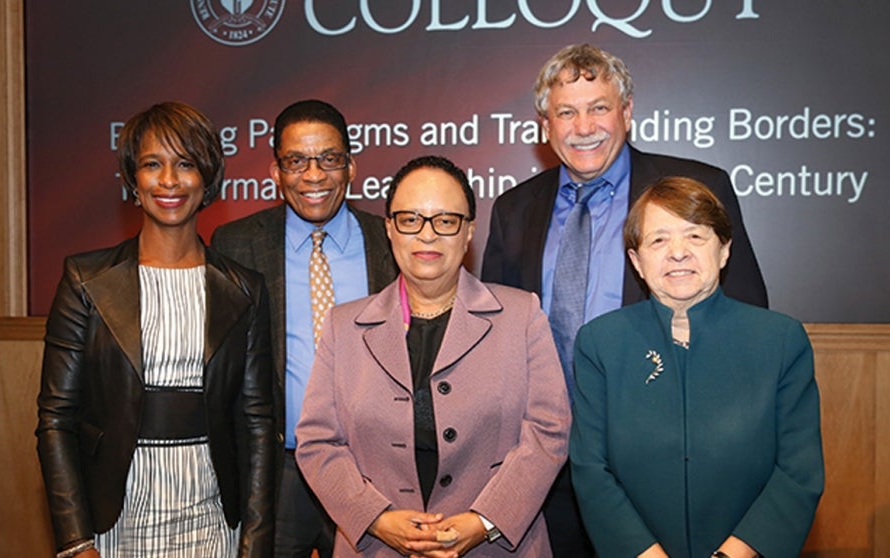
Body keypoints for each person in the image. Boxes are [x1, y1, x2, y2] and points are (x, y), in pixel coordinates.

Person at [480, 43, 769, 557]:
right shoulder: (513, 208)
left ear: (627, 112)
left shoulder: (698, 187)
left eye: (599, 107)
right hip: (547, 466)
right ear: (545, 124)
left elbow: (745, 322)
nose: (583, 125)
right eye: (566, 111)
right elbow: (493, 340)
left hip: (665, 460)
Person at [294, 155, 571, 557]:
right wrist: (376, 517)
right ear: (390, 228)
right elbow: (317, 442)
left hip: (496, 547)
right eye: (410, 219)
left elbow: (550, 431)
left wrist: (483, 521)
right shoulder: (345, 326)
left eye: (445, 220)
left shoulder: (520, 315)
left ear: (469, 232)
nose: (427, 235)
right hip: (377, 547)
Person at [35, 101, 276, 557]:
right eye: (152, 164)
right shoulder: (86, 281)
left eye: (185, 164)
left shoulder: (245, 289)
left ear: (207, 177)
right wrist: (75, 541)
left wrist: (255, 543)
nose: (169, 181)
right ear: (132, 179)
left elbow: (258, 424)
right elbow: (55, 419)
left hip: (212, 515)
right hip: (116, 514)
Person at [571, 176, 824, 558]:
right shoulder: (600, 343)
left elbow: (798, 472)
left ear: (723, 251)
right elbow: (591, 469)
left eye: (695, 236)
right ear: (637, 261)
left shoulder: (780, 340)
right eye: (659, 240)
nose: (678, 253)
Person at [211, 99, 398, 557]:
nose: (313, 175)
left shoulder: (391, 242)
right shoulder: (235, 245)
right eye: (296, 161)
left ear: (351, 166)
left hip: (373, 470)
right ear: (276, 171)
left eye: (329, 159)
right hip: (280, 471)